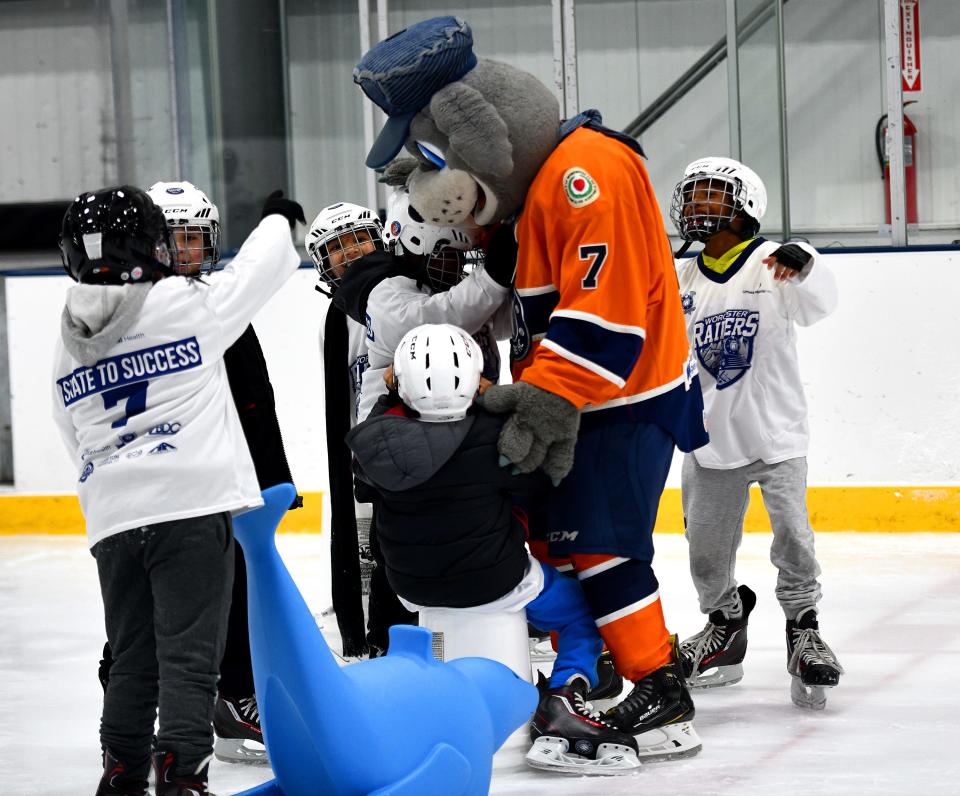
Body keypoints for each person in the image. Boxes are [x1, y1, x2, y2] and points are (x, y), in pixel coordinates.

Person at [353, 18, 710, 761]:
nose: (425, 194)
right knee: (550, 539)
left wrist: (548, 398)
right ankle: (599, 658)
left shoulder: (587, 173)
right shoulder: (539, 188)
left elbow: (601, 311)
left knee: (603, 549)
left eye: (428, 163)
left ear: (476, 130)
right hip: (585, 398)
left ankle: (660, 686)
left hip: (622, 396)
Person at [52, 184, 303, 794]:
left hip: (112, 516)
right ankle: (183, 774)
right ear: (150, 244)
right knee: (189, 656)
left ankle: (120, 772)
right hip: (189, 508)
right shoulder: (183, 304)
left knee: (132, 653)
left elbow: (69, 426)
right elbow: (264, 264)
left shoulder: (68, 336)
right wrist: (278, 215)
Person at [345, 323, 642, 774]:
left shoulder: (376, 441)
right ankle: (563, 697)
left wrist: (390, 397)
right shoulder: (496, 435)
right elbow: (540, 485)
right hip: (495, 581)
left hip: (412, 587)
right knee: (580, 612)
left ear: (399, 380)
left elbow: (370, 483)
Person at [671, 156, 843, 710]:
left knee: (794, 538)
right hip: (708, 441)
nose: (695, 206)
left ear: (744, 207)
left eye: (709, 196)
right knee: (704, 552)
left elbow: (820, 302)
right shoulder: (681, 275)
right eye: (691, 196)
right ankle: (724, 626)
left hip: (776, 437)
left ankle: (804, 627)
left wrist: (808, 262)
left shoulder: (775, 263)